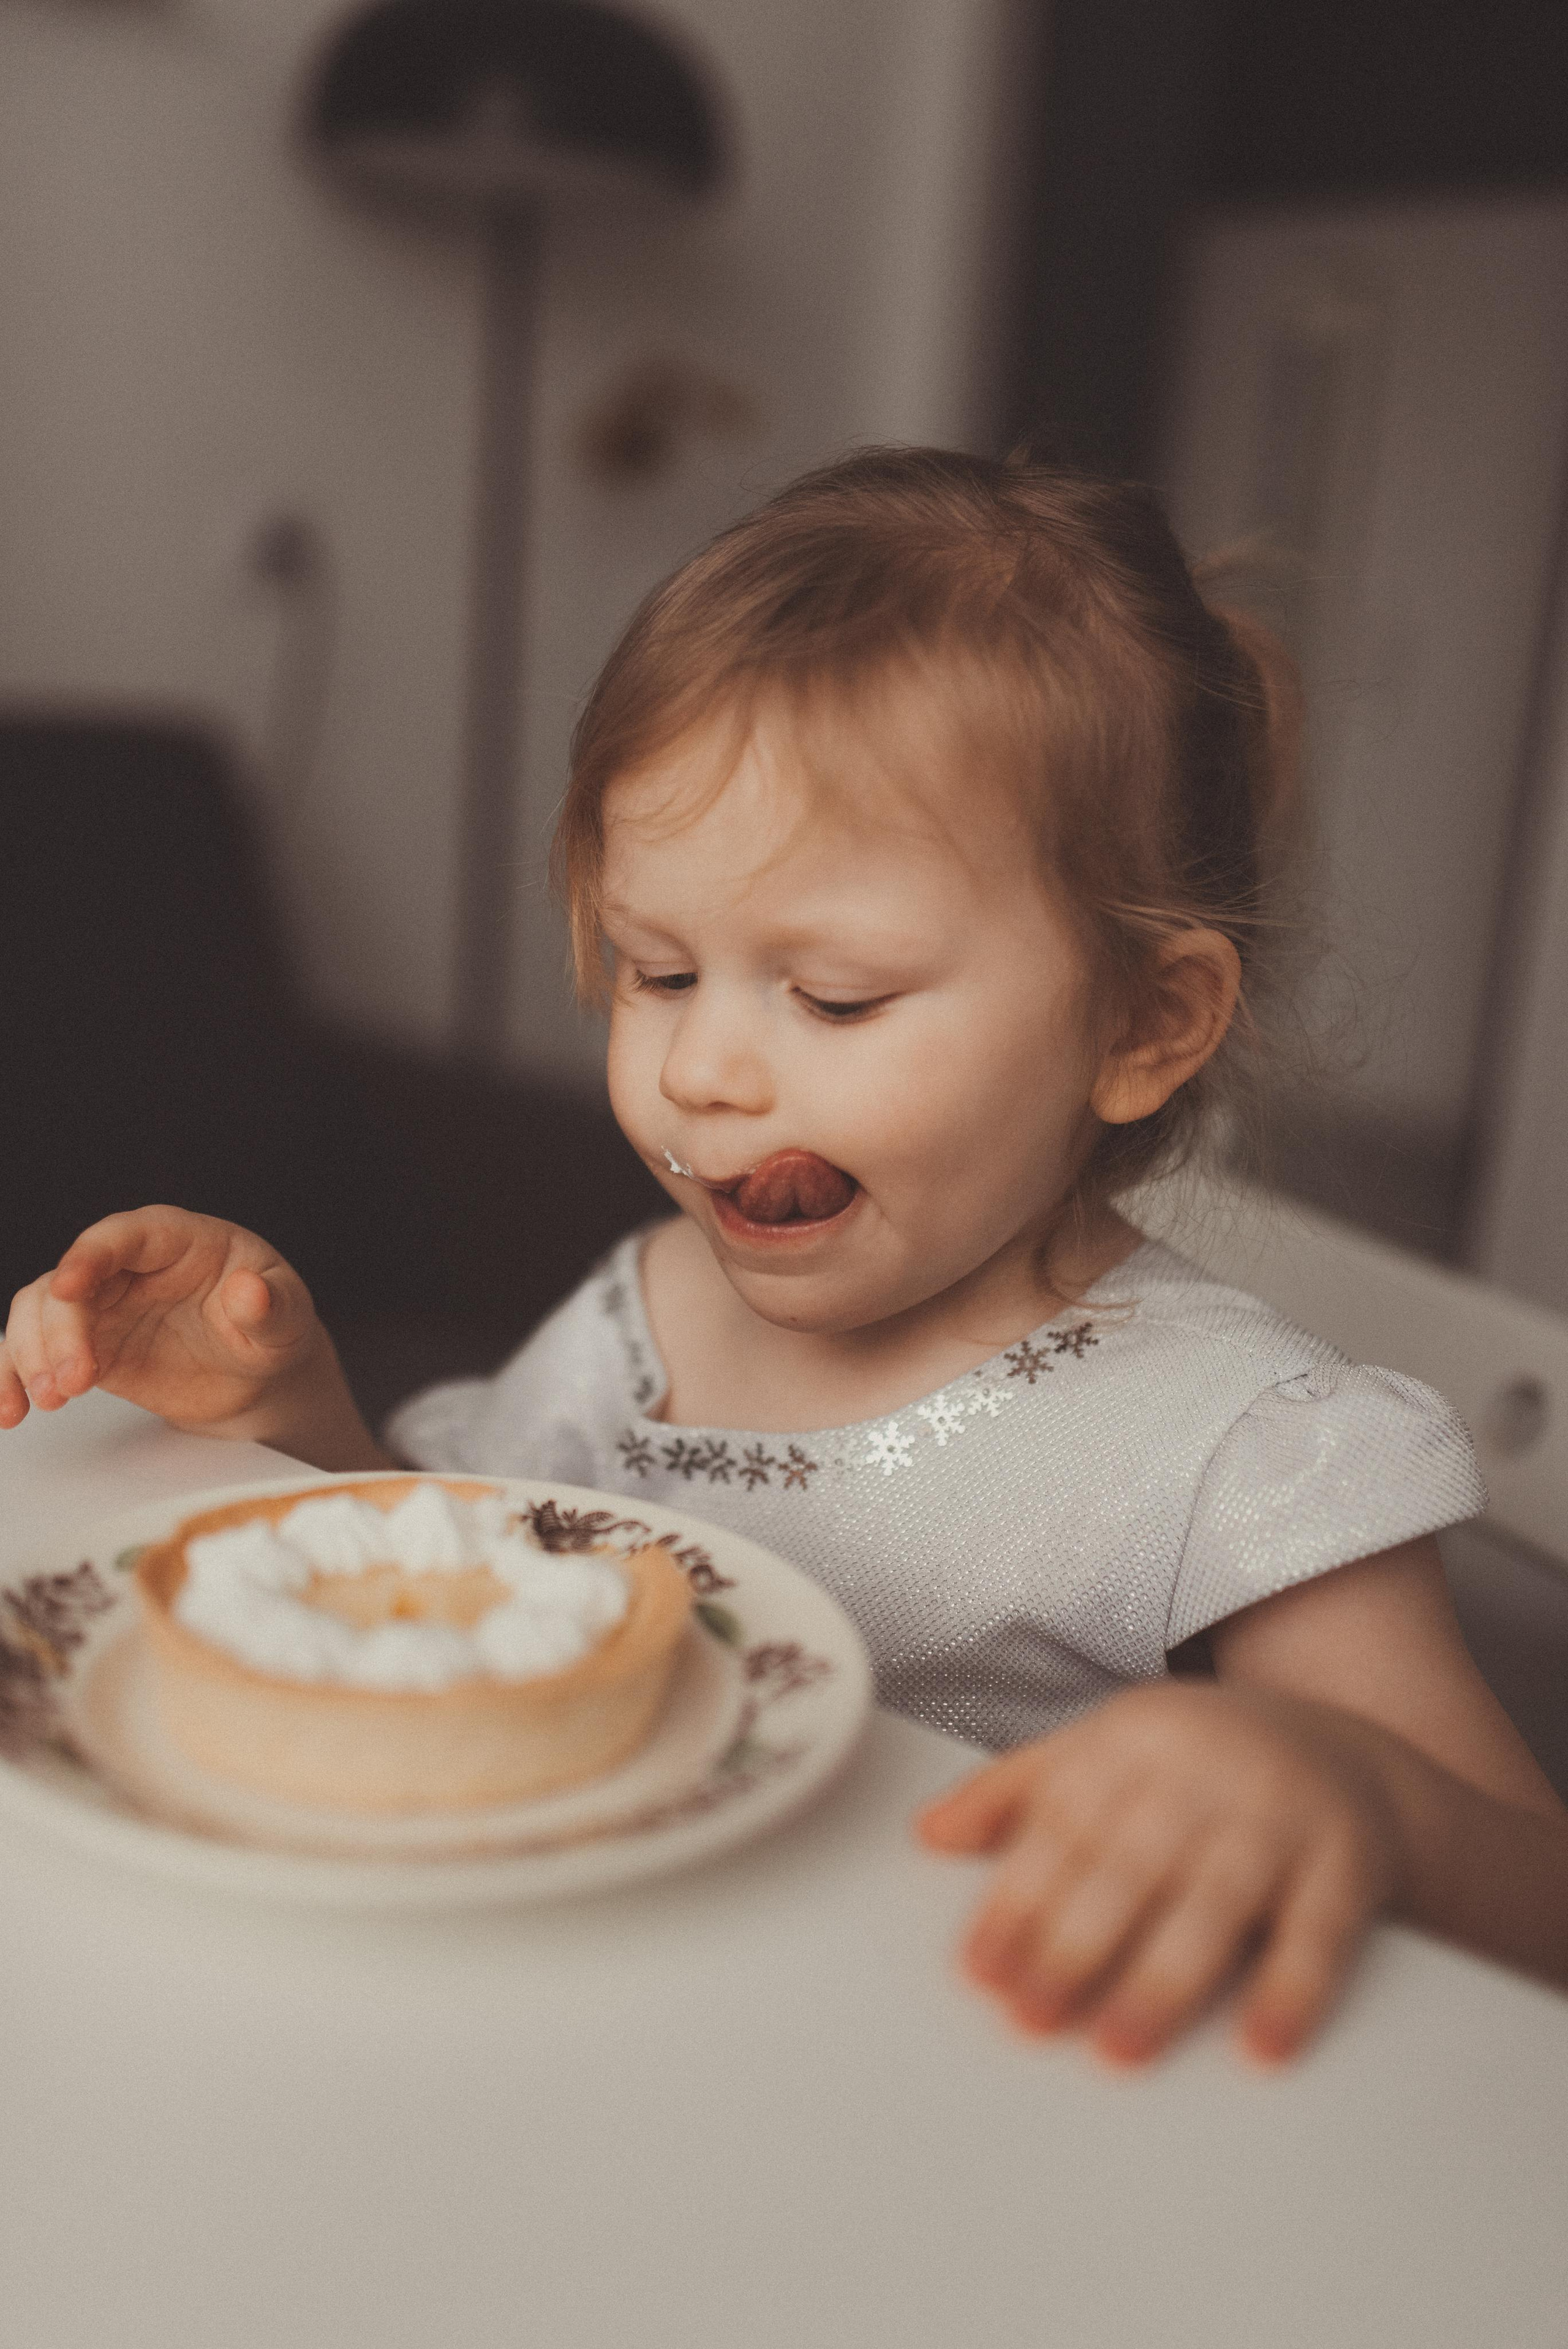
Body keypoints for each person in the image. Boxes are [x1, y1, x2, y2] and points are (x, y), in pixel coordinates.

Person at [6, 447, 1566, 2064]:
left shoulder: (1232, 1445)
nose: (704, 1073)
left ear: (1141, 1023)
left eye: (831, 997)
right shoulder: (641, 1320)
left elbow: (1544, 1910)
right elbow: (476, 1604)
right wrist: (291, 1408)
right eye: (657, 969)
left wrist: (1365, 1795)